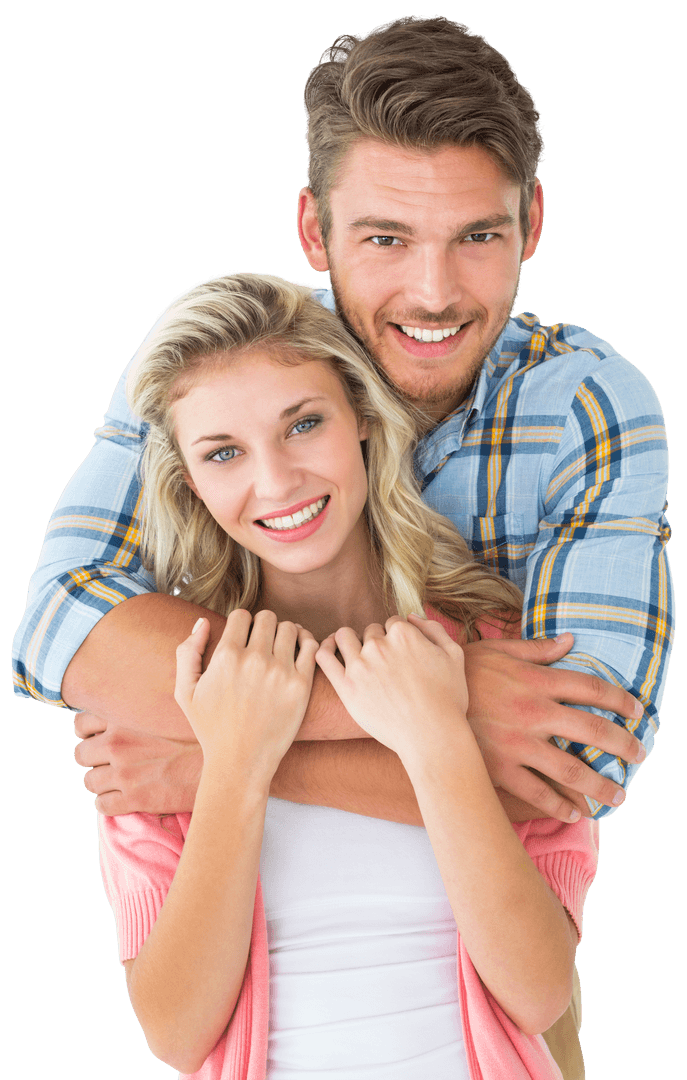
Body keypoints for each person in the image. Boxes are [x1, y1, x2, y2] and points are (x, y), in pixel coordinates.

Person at [10, 16, 671, 1070]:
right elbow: (59, 627)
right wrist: (398, 711)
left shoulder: (588, 405)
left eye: (476, 236)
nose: (433, 293)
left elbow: (571, 766)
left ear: (532, 222)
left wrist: (207, 746)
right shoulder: (229, 362)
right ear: (313, 231)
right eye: (386, 239)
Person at [98, 269, 599, 1079]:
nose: (275, 481)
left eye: (303, 424)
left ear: (361, 413)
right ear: (190, 481)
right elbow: (176, 1032)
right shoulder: (171, 689)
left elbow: (539, 994)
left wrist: (436, 738)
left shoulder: (495, 649)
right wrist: (233, 762)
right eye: (223, 452)